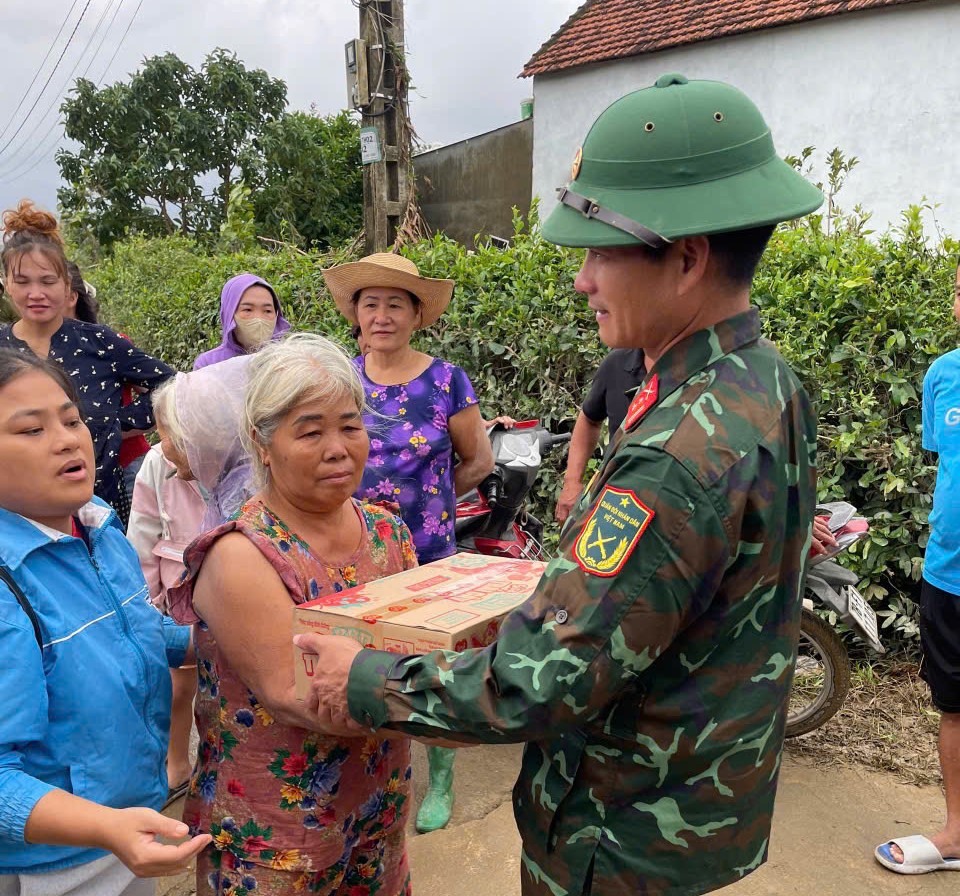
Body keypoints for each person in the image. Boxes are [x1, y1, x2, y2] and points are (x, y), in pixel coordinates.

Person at [298, 73, 824, 896]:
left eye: (597, 253)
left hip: (617, 836)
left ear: (685, 259)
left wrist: (359, 679)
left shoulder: (673, 458)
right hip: (697, 805)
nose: (581, 281)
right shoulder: (766, 382)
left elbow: (539, 682)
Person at [164, 333, 417, 896]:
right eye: (310, 430)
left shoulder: (386, 532)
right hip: (276, 838)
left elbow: (422, 640)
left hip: (376, 806)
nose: (338, 447)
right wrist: (451, 705)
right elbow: (294, 693)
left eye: (350, 426)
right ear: (262, 441)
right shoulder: (240, 554)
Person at [0, 349, 210, 895]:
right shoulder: (6, 587)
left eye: (71, 420)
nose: (68, 439)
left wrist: (222, 642)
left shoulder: (98, 532)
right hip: (55, 863)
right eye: (30, 430)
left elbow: (136, 629)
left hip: (125, 827)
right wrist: (106, 827)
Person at [323, 252, 494, 833]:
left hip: (430, 551)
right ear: (356, 314)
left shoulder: (445, 379)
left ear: (417, 315)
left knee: (434, 667)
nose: (382, 315)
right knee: (362, 657)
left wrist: (434, 497)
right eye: (370, 303)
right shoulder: (342, 379)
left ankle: (439, 779)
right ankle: (371, 772)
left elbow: (478, 460)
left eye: (396, 303)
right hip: (356, 550)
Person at [0, 201, 173, 526]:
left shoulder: (100, 342)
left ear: (67, 286)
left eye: (47, 281)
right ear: (7, 284)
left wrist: (118, 424)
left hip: (95, 515)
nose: (35, 293)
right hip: (12, 523)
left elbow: (170, 384)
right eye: (22, 282)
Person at [874, 260, 960, 874]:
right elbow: (944, 466)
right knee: (954, 706)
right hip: (948, 572)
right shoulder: (942, 375)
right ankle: (958, 833)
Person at [127, 380, 208, 809]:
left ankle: (218, 763)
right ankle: (176, 762)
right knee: (178, 685)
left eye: (173, 432)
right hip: (176, 591)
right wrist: (146, 602)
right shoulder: (157, 464)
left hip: (226, 588)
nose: (164, 442)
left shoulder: (238, 460)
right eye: (160, 431)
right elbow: (142, 533)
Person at [62, 261, 153, 509]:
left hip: (128, 467)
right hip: (72, 472)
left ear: (71, 297)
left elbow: (161, 393)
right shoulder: (30, 354)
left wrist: (115, 427)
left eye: (47, 284)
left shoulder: (107, 344)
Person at [556, 348, 645, 522]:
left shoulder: (703, 373)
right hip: (618, 503)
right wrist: (572, 482)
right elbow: (590, 418)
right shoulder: (618, 363)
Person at [193, 273, 290, 370]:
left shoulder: (286, 362)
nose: (259, 319)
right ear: (229, 314)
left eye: (268, 311)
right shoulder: (208, 363)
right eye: (248, 310)